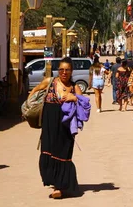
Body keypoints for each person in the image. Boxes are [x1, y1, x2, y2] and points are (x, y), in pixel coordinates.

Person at [28, 57, 86, 199]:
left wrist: (75, 98)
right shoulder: (50, 82)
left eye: (67, 70)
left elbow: (85, 106)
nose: (64, 72)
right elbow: (35, 90)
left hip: (66, 126)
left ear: (71, 71)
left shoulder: (75, 87)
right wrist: (28, 105)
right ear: (58, 70)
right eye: (61, 69)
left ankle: (61, 186)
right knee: (48, 150)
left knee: (63, 153)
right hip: (49, 123)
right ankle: (55, 183)